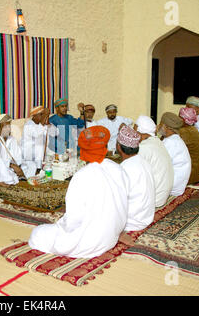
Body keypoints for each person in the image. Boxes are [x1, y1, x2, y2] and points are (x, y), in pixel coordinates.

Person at [28, 125, 131, 258]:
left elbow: (72, 221)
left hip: (90, 242)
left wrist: (60, 227)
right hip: (111, 236)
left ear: (83, 151)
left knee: (38, 233)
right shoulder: (118, 168)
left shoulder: (82, 176)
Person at [116, 125, 155, 232]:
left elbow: (116, 203)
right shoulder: (144, 162)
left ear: (118, 146)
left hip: (131, 223)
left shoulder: (123, 169)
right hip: (146, 217)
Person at [134, 116, 174, 208]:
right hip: (162, 196)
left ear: (141, 132)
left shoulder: (144, 148)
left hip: (153, 200)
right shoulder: (157, 142)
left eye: (135, 131)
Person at [158, 113, 192, 196]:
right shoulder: (176, 139)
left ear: (167, 128)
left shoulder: (169, 143)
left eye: (161, 124)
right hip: (178, 185)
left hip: (172, 187)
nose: (158, 126)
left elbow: (158, 165)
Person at [20, 106, 58, 177]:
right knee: (32, 173)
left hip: (42, 156)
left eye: (43, 115)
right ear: (34, 116)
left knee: (56, 164)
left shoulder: (42, 125)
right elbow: (37, 133)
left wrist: (48, 123)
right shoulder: (28, 125)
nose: (43, 116)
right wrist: (45, 116)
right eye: (41, 114)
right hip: (30, 157)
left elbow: (56, 133)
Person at [178, 107, 199, 184]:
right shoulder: (194, 129)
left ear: (183, 119)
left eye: (179, 117)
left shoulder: (183, 132)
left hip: (190, 176)